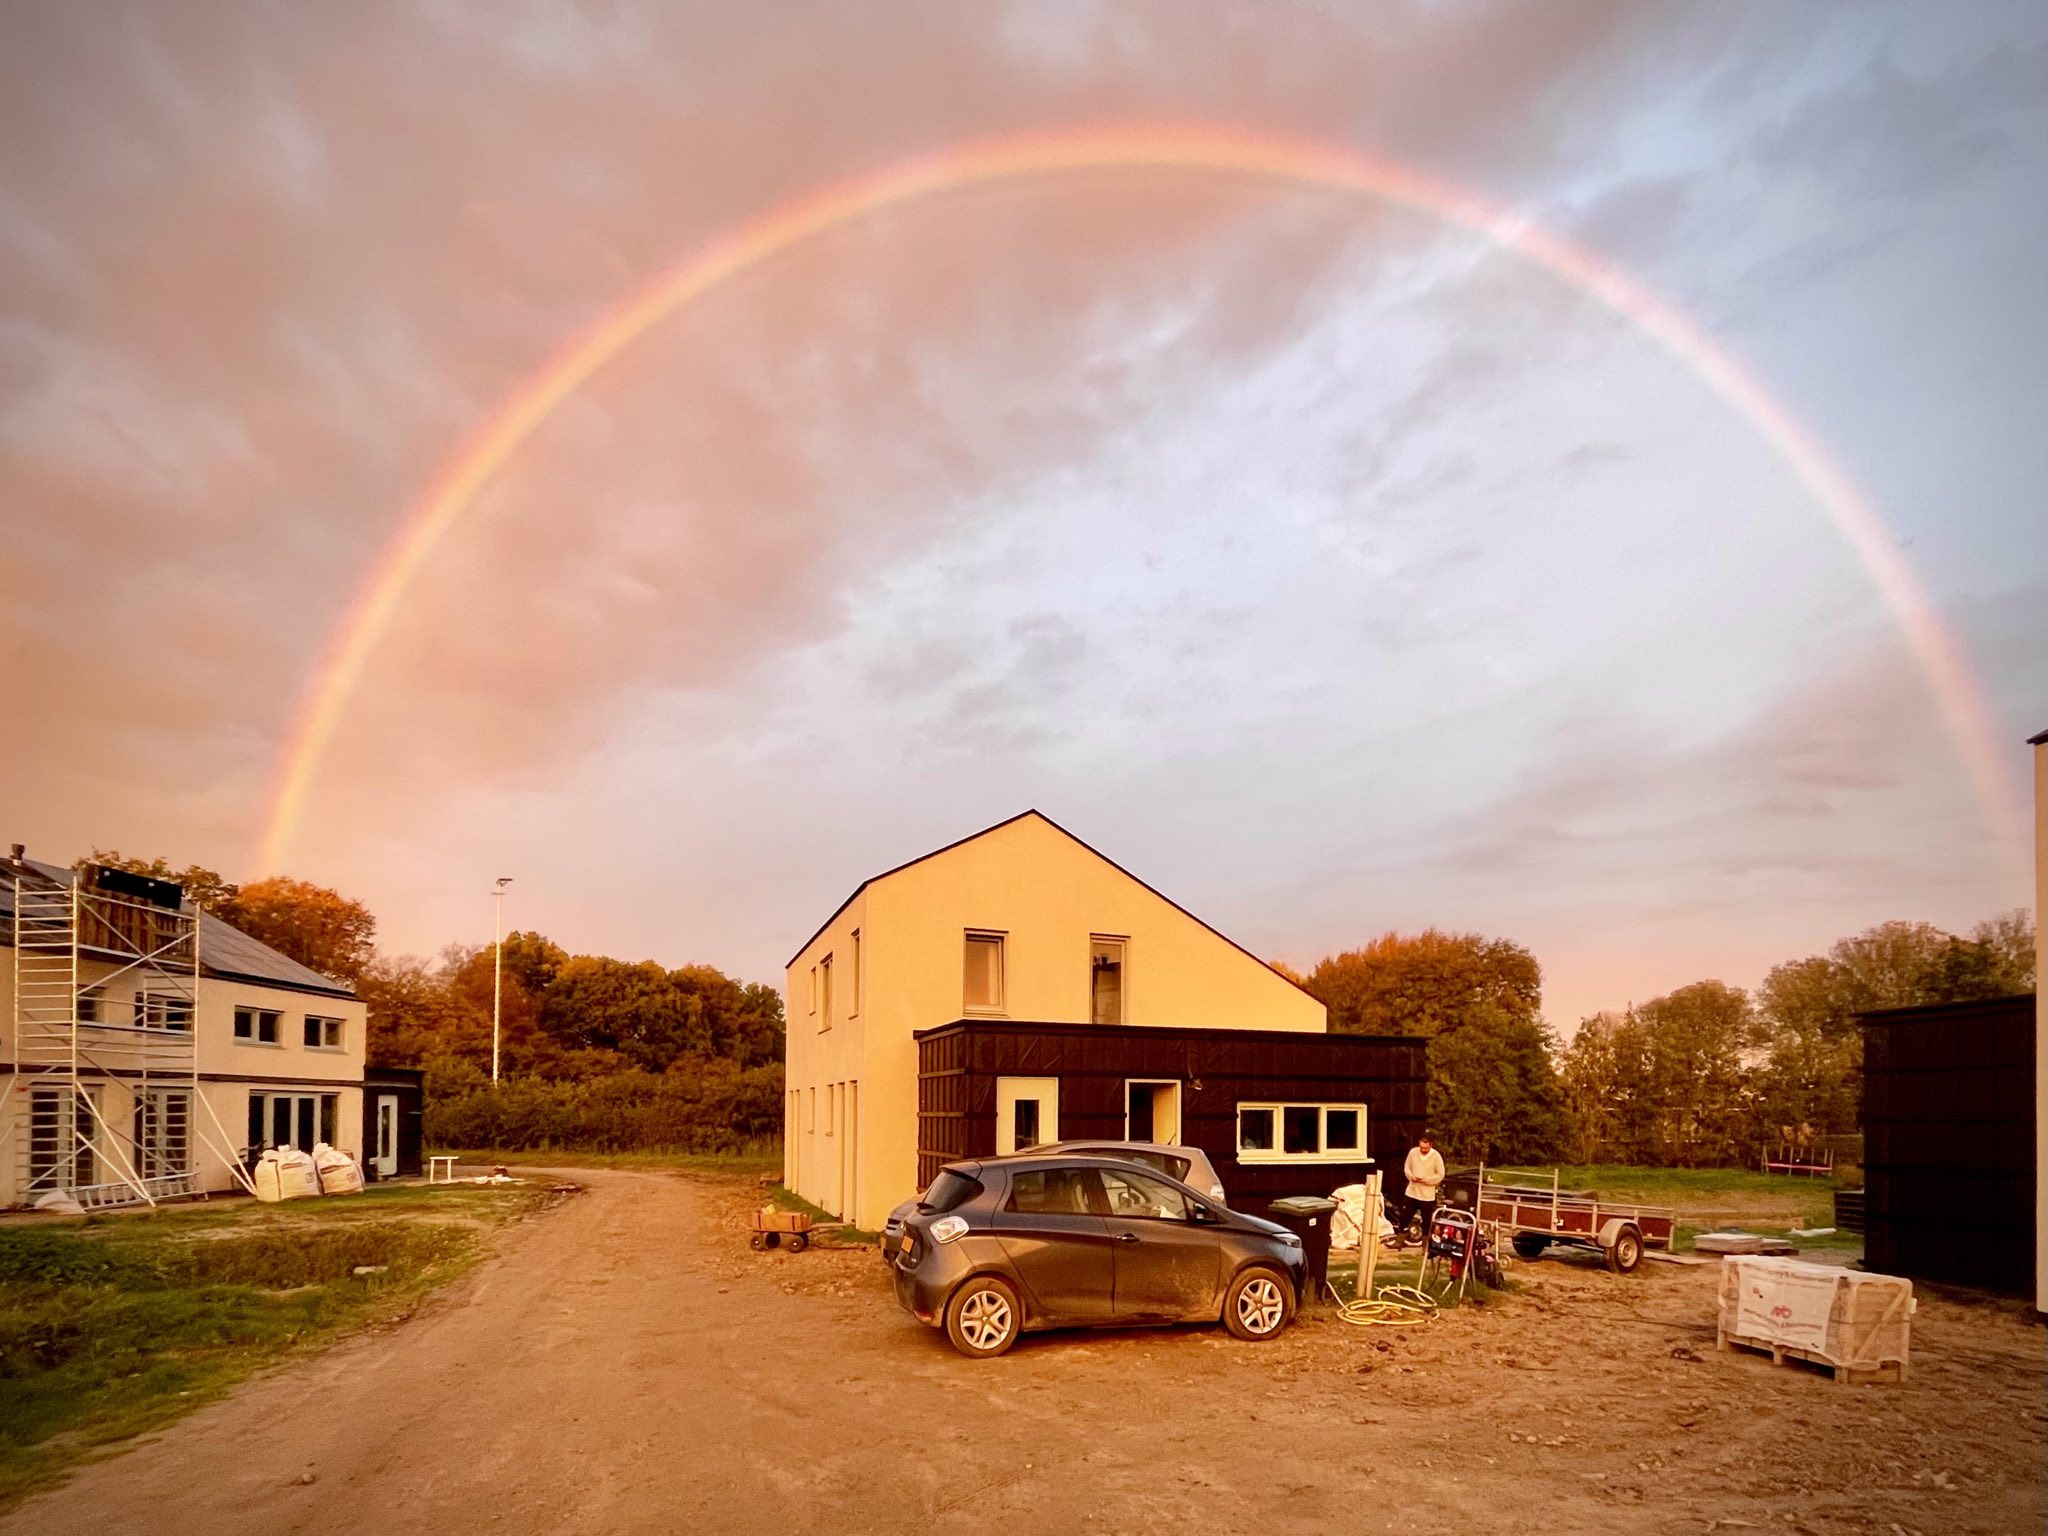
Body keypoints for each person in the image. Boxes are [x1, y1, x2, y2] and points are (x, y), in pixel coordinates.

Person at [1401, 1131, 1445, 1242]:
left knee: (1427, 1220)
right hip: (1412, 1191)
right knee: (1405, 1215)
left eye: (1425, 1148)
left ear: (1431, 1145)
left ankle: (1425, 1244)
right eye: (1421, 1147)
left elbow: (1440, 1174)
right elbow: (1407, 1168)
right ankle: (1399, 1239)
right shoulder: (1413, 1153)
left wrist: (1428, 1180)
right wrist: (1411, 1177)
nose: (1423, 1150)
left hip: (1427, 1194)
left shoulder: (1436, 1156)